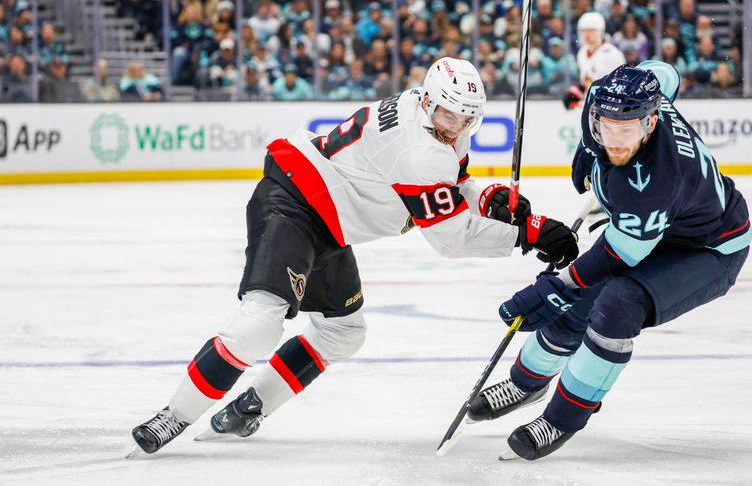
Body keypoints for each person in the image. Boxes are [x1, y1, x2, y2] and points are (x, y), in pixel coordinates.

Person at [129, 57, 580, 454]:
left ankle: (252, 405)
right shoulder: (422, 148)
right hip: (295, 203)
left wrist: (489, 198)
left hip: (328, 221)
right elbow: (451, 238)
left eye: (465, 118)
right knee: (260, 323)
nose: (455, 125)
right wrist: (527, 233)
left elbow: (452, 187)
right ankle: (175, 415)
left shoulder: (427, 119)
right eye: (447, 113)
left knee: (344, 332)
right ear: (428, 101)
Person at [467, 63, 752, 461]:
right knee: (574, 305)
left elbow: (619, 254)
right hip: (664, 225)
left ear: (652, 122)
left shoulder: (655, 181)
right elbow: (664, 71)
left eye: (627, 130)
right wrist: (588, 146)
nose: (614, 141)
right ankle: (526, 383)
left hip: (708, 248)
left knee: (617, 302)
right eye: (605, 128)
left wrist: (556, 285)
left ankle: (564, 418)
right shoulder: (609, 98)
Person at [562, 12, 624, 110]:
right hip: (590, 106)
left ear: (600, 31)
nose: (586, 34)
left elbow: (620, 86)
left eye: (591, 30)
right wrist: (577, 92)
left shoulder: (613, 55)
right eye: (583, 30)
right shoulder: (582, 52)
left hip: (608, 109)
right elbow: (587, 81)